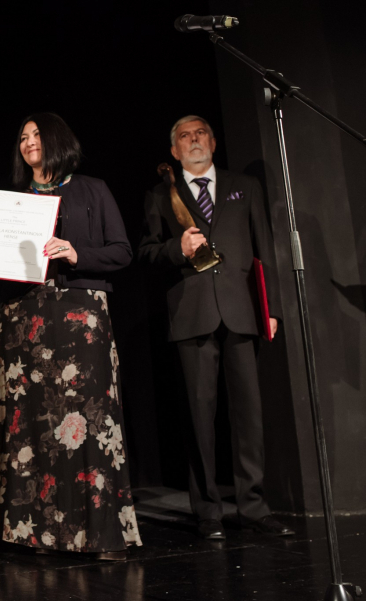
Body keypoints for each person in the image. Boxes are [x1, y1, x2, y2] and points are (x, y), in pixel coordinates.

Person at [0, 113, 142, 560]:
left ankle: (102, 535)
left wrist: (76, 253)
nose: (28, 142)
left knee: (89, 420)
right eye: (23, 137)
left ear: (57, 139)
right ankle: (39, 533)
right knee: (33, 424)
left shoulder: (92, 189)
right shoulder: (13, 200)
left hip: (80, 317)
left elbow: (122, 252)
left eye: (37, 134)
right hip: (24, 317)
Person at [138, 115, 293, 540]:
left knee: (249, 415)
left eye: (200, 133)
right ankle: (207, 511)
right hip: (192, 314)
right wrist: (177, 248)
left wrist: (272, 308)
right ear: (174, 150)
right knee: (199, 416)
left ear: (213, 141)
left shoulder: (245, 186)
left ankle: (253, 507)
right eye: (184, 136)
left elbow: (265, 248)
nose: (194, 140)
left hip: (242, 311)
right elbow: (146, 252)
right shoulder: (160, 195)